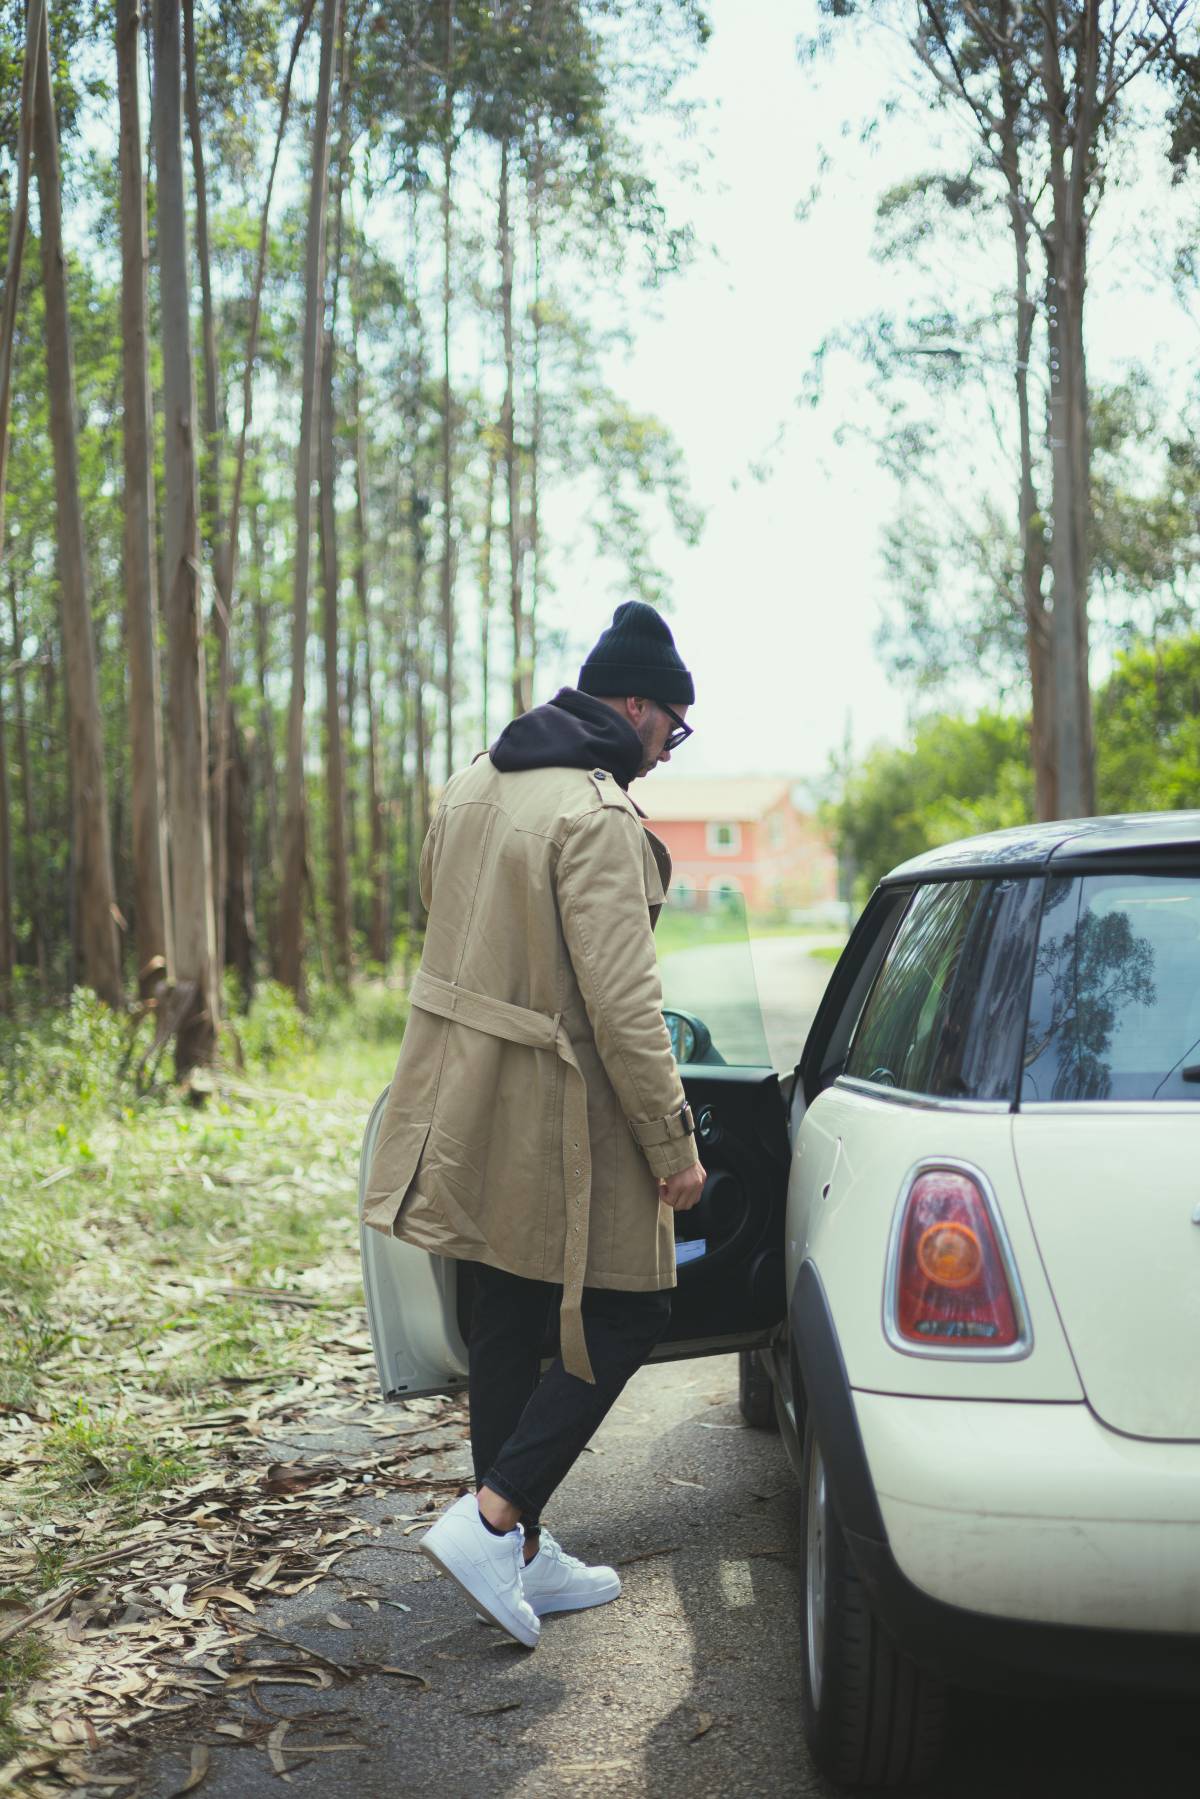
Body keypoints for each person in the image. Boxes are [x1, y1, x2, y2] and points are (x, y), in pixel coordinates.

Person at [362, 600, 706, 1648]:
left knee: (507, 1310)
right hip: (559, 1111)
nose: (668, 750)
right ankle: (495, 1515)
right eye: (674, 729)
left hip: (462, 1094)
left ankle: (515, 1551)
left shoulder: (476, 775)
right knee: (634, 1306)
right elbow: (624, 1005)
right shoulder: (596, 815)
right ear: (637, 706)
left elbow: (445, 913)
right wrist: (674, 1145)